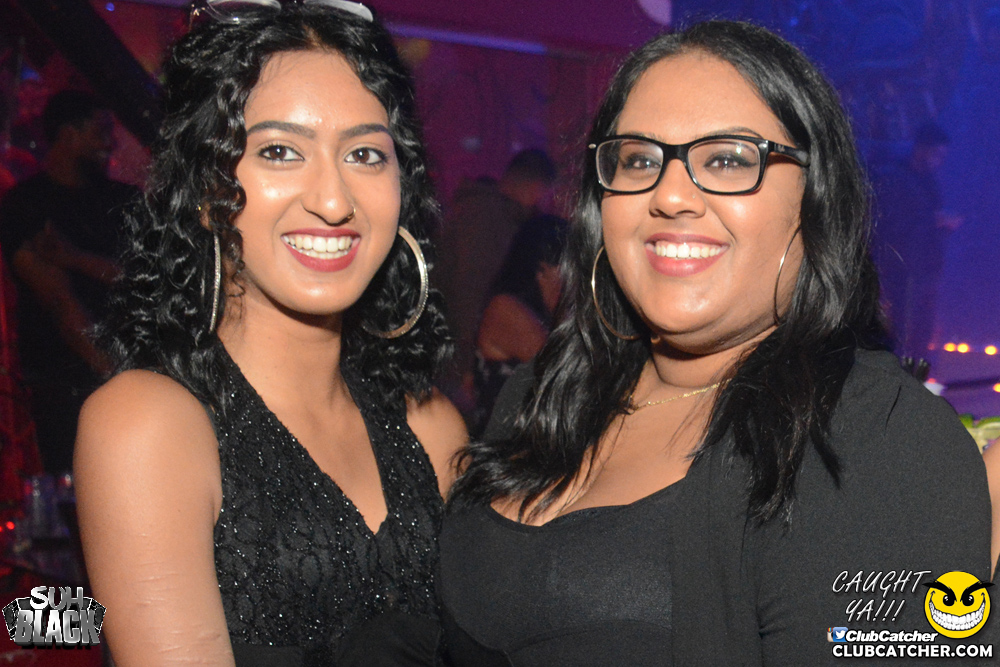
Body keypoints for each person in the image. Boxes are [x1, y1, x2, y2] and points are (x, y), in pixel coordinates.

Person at [439, 21, 990, 666]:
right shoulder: (543, 391)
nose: (670, 194)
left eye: (728, 159)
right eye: (639, 159)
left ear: (816, 202)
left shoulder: (878, 439)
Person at [74, 4, 467, 666]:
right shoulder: (146, 424)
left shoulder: (431, 427)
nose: (334, 200)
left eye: (365, 154)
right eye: (280, 151)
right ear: (206, 184)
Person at [0, 90, 135, 473]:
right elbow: (60, 303)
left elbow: (148, 281)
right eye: (100, 132)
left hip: (131, 367)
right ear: (68, 135)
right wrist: (117, 374)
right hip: (62, 382)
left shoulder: (124, 201)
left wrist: (75, 258)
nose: (110, 144)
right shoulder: (26, 206)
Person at [435, 149, 557, 410]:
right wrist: (467, 369)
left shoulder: (488, 213)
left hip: (455, 357)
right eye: (546, 194)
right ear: (536, 186)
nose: (545, 203)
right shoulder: (487, 218)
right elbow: (469, 292)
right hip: (456, 365)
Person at [469, 213, 565, 436]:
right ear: (542, 269)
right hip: (503, 446)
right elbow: (560, 371)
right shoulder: (506, 308)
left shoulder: (539, 312)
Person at [873, 122, 962, 358]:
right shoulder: (894, 178)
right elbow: (889, 224)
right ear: (922, 148)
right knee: (901, 325)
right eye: (937, 154)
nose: (940, 161)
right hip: (902, 269)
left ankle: (915, 369)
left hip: (926, 268)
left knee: (922, 328)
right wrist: (934, 221)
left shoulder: (928, 181)